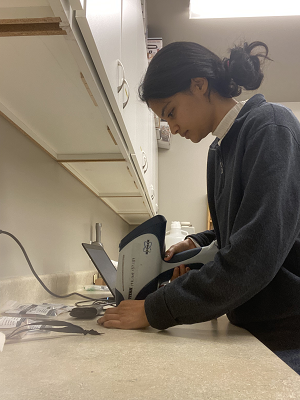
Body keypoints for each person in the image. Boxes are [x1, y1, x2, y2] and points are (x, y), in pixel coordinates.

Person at [98, 40, 300, 373]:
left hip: (287, 336)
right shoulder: (218, 152)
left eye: (171, 112)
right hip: (250, 328)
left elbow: (255, 255)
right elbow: (235, 231)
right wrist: (200, 243)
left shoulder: (270, 127)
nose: (172, 128)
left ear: (199, 85)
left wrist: (155, 308)